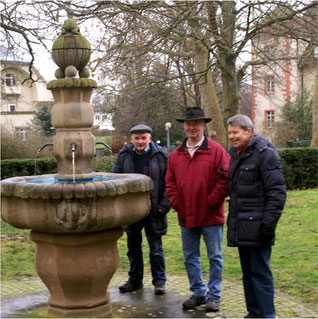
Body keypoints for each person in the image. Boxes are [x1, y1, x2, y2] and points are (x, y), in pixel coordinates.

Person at [165, 106, 230, 312]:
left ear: (204, 126)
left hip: (211, 214)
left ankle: (214, 295)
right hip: (187, 215)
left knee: (215, 257)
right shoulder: (176, 155)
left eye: (196, 124)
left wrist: (211, 201)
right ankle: (198, 292)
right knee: (190, 256)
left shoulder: (217, 151)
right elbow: (170, 183)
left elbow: (224, 180)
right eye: (188, 124)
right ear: (184, 127)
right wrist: (177, 203)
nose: (192, 127)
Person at [226, 114, 286, 318]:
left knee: (260, 274)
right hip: (242, 226)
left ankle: (267, 315)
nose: (232, 137)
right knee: (249, 274)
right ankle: (253, 313)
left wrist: (268, 225)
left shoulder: (265, 153)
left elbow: (277, 193)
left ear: (248, 131)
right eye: (230, 133)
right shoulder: (235, 154)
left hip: (259, 226)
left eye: (235, 132)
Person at [111, 124, 170, 295]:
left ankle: (159, 282)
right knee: (133, 248)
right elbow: (114, 179)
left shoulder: (161, 155)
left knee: (156, 248)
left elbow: (169, 181)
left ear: (149, 138)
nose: (140, 141)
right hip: (132, 211)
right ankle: (135, 280)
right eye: (136, 138)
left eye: (143, 138)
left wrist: (164, 205)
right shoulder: (124, 155)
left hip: (155, 209)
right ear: (131, 139)